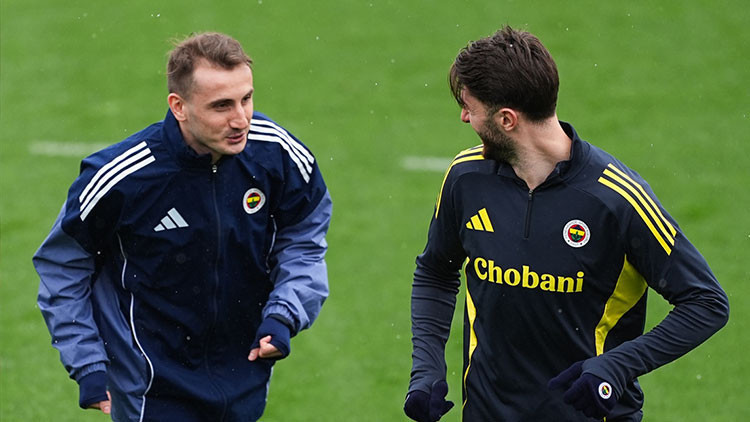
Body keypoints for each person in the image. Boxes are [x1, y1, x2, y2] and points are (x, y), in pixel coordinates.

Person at [404, 26, 729, 422]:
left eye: (471, 108)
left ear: (507, 119)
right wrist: (427, 368)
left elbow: (706, 302)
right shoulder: (466, 178)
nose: (464, 117)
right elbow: (436, 271)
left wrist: (617, 366)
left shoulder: (616, 199)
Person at [33, 32, 331, 421]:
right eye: (221, 106)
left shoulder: (276, 153)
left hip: (245, 372)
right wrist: (87, 362)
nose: (240, 119)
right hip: (150, 384)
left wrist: (284, 313)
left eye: (246, 99)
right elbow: (63, 267)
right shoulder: (122, 178)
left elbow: (304, 237)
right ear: (179, 106)